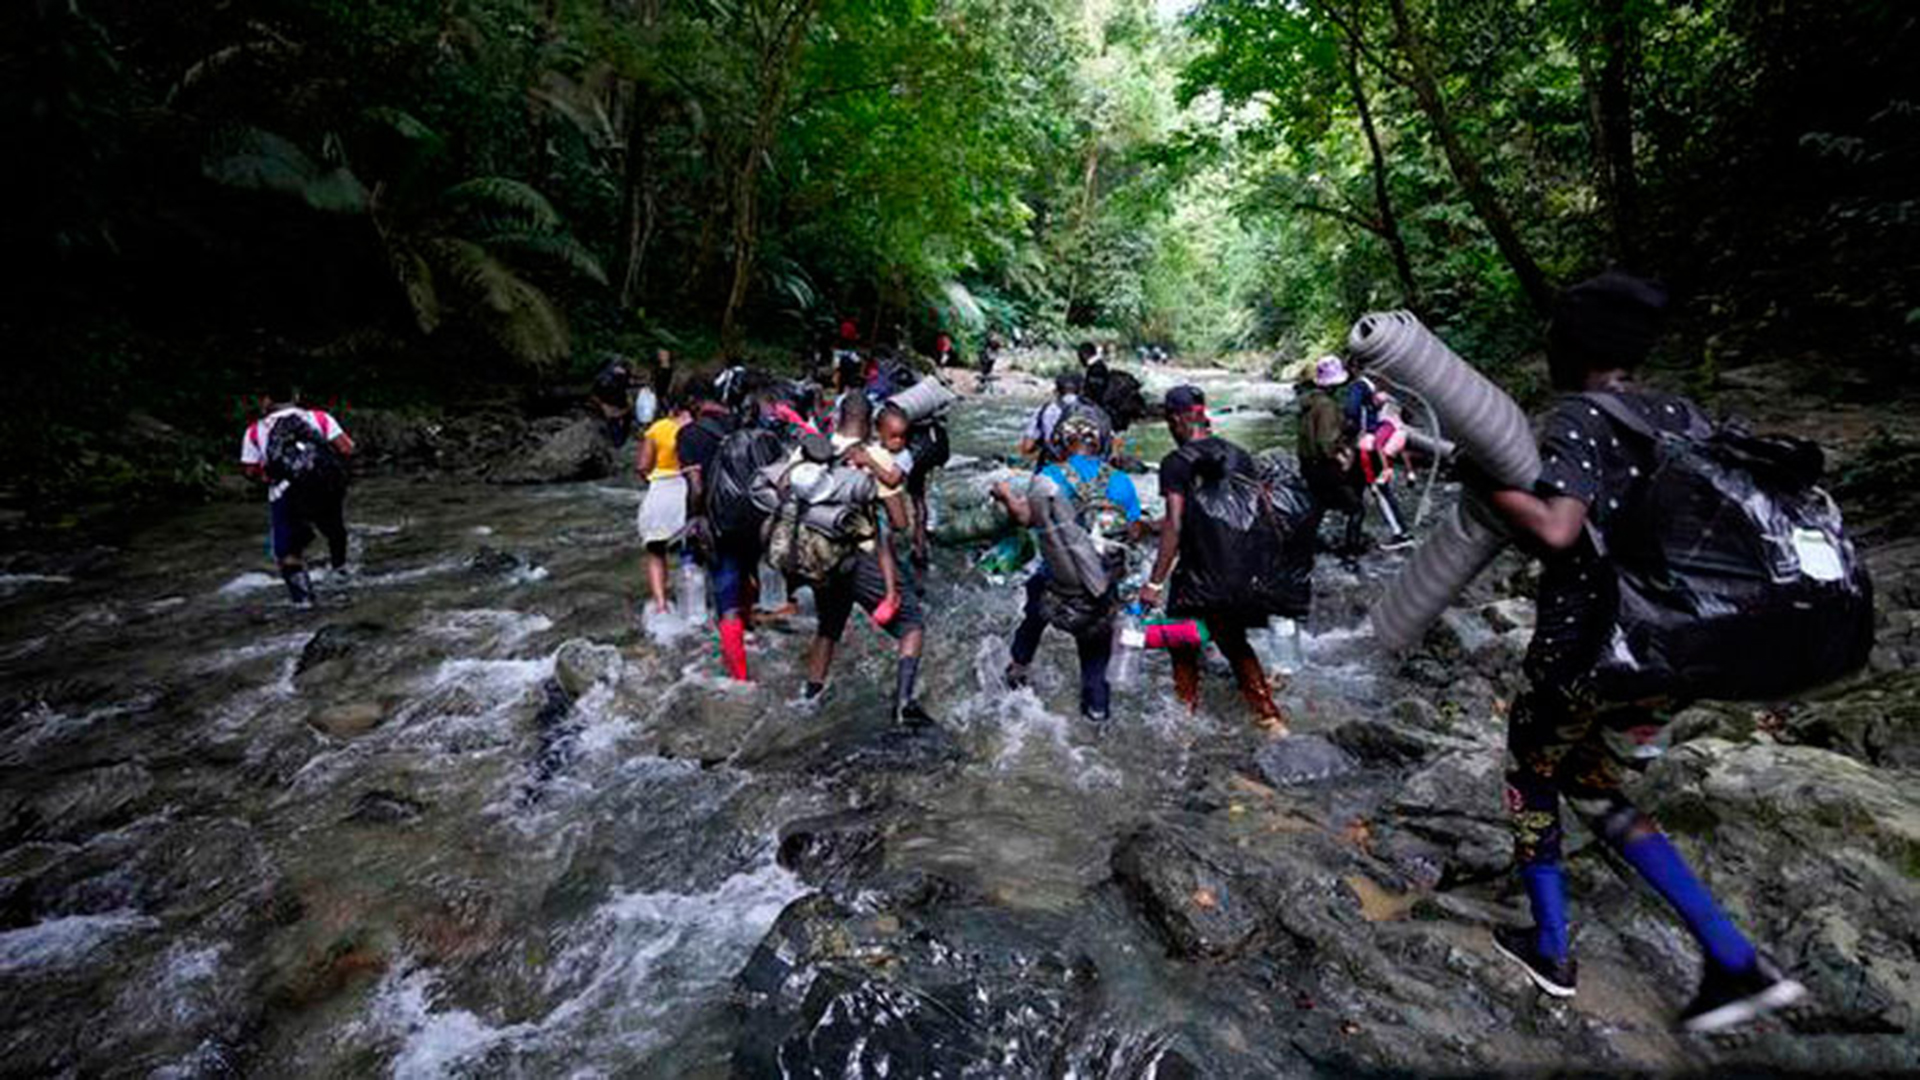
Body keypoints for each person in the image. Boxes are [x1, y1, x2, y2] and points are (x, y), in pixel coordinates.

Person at [1479, 272, 1803, 1031]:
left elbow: (1558, 528)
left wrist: (1490, 486)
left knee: (1530, 776)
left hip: (1588, 645)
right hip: (1672, 649)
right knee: (1593, 786)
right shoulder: (1680, 416)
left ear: (1579, 345)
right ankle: (1732, 957)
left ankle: (1551, 948)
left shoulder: (1583, 418)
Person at [1139, 385, 1288, 735]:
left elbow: (1176, 524)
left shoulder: (1176, 462)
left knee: (1180, 641)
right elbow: (1253, 513)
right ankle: (1270, 717)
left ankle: (1184, 720)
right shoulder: (1239, 455)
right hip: (1241, 571)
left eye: (1167, 422)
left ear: (1176, 420)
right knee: (1234, 641)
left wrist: (1154, 582)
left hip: (1199, 574)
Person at [991, 411, 1143, 722]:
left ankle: (1018, 673)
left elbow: (1026, 518)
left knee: (1033, 608)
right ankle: (1097, 717)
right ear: (1100, 443)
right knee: (1095, 664)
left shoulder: (1050, 475)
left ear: (1062, 442)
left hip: (1056, 587)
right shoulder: (1122, 481)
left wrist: (1006, 496)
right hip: (1100, 593)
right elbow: (1134, 531)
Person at [801, 394, 931, 724]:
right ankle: (903, 706)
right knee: (912, 625)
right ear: (872, 424)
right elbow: (900, 523)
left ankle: (809, 699)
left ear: (838, 416)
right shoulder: (873, 456)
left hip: (818, 555)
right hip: (861, 557)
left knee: (828, 628)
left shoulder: (811, 449)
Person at [239, 379, 354, 606]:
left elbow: (250, 470)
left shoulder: (255, 430)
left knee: (288, 552)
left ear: (266, 401)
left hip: (285, 494)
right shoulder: (320, 418)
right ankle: (340, 576)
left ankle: (304, 604)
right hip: (325, 487)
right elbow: (347, 448)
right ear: (296, 396)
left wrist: (269, 475)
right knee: (334, 532)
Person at [1298, 355, 1370, 565]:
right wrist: (1342, 456)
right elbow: (1326, 442)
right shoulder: (1327, 406)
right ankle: (1350, 556)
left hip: (1308, 466)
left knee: (1318, 507)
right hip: (1325, 467)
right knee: (1356, 509)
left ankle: (1305, 547)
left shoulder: (1307, 402)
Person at [634, 391, 692, 615]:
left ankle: (661, 605)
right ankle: (696, 603)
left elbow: (642, 466)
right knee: (692, 550)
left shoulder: (658, 428)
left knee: (656, 551)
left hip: (661, 491)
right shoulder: (699, 427)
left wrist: (651, 482)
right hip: (689, 490)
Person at [1019, 372, 1083, 464]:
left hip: (1054, 466)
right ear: (1081, 390)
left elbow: (1026, 447)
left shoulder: (1043, 411)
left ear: (1056, 391)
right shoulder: (1096, 412)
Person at [591, 355, 641, 445]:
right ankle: (618, 443)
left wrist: (629, 401)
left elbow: (627, 387)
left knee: (623, 422)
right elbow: (594, 395)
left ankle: (620, 441)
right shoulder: (603, 379)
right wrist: (604, 406)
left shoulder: (623, 375)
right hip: (610, 405)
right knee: (615, 424)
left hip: (620, 404)